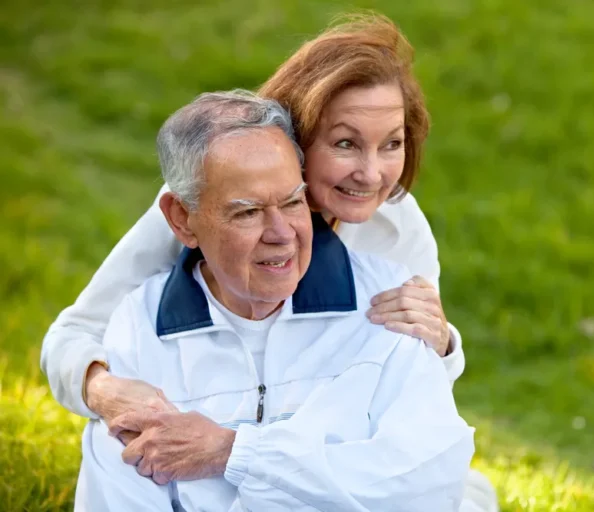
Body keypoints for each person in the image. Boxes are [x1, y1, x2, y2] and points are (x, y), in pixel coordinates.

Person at [43, 14, 498, 512]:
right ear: (295, 143)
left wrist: (442, 342)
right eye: (345, 143)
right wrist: (106, 389)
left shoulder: (397, 227)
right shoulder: (200, 199)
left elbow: (417, 397)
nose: (372, 174)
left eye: (392, 143)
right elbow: (74, 335)